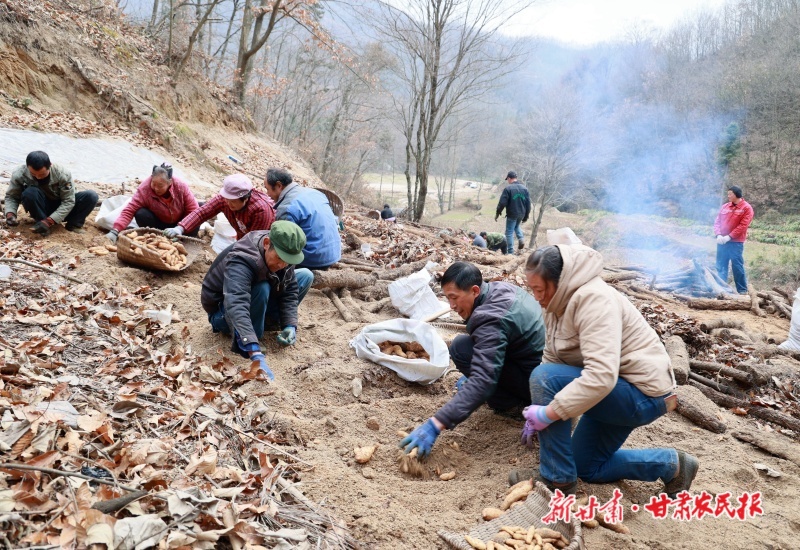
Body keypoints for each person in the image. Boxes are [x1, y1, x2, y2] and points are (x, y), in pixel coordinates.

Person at [510, 244, 696, 498]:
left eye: (539, 289)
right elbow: (553, 357)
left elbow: (600, 376)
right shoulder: (555, 303)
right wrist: (541, 411)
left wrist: (549, 412)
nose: (536, 297)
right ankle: (673, 465)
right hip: (613, 390)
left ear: (560, 282)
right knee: (587, 466)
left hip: (641, 394)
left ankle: (557, 480)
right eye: (532, 289)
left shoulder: (594, 299)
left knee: (544, 378)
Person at [399, 261, 545, 458]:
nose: (451, 306)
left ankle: (512, 405)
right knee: (464, 345)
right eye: (448, 299)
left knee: (461, 350)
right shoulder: (500, 289)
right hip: (537, 368)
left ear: (475, 290)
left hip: (537, 387)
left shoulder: (489, 318)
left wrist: (436, 424)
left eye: (454, 298)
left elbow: (483, 381)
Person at [200, 220, 314, 381]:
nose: (282, 264)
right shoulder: (242, 258)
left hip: (255, 300)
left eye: (288, 260)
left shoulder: (285, 255)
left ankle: (264, 323)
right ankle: (253, 335)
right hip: (223, 313)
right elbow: (236, 303)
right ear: (267, 243)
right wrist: (254, 352)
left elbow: (290, 291)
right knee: (262, 287)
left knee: (305, 276)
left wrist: (290, 325)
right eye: (280, 258)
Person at [4, 151, 98, 236]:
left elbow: (68, 201)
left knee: (91, 196)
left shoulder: (62, 174)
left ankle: (74, 225)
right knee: (30, 193)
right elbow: (12, 196)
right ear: (27, 167)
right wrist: (10, 214)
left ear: (50, 165)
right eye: (33, 174)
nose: (38, 177)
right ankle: (41, 224)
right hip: (41, 207)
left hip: (62, 207)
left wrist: (49, 221)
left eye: (42, 174)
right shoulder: (19, 174)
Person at [263, 168, 341, 270]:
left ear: (278, 185)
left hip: (313, 258)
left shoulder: (287, 207)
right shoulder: (315, 193)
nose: (267, 194)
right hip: (334, 253)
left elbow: (283, 243)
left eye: (267, 189)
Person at [105, 163, 199, 243]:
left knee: (196, 216)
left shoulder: (180, 187)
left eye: (160, 185)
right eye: (153, 184)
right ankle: (159, 235)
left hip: (180, 223)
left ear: (170, 182)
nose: (156, 188)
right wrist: (115, 231)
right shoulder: (144, 189)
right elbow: (129, 210)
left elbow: (192, 209)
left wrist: (180, 228)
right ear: (151, 178)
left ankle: (181, 239)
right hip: (159, 224)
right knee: (141, 214)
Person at [163, 173, 274, 240]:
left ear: (245, 198)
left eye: (233, 201)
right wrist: (180, 228)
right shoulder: (224, 199)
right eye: (227, 199)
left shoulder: (261, 210)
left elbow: (254, 241)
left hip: (264, 243)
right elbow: (202, 212)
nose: (228, 203)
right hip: (243, 237)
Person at [713, 185, 754, 294]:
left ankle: (742, 291)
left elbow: (743, 226)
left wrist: (729, 236)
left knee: (737, 266)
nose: (728, 196)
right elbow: (717, 221)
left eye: (730, 194)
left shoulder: (746, 208)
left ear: (736, 194)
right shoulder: (725, 206)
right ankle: (721, 288)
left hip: (736, 243)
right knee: (721, 265)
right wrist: (718, 235)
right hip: (722, 241)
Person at [495, 171, 531, 254]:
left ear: (509, 178)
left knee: (509, 232)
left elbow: (502, 203)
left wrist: (498, 212)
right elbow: (528, 204)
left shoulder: (508, 189)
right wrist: (526, 216)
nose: (507, 181)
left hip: (512, 213)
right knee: (516, 226)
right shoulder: (524, 189)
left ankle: (510, 252)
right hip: (522, 213)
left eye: (507, 179)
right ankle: (521, 239)